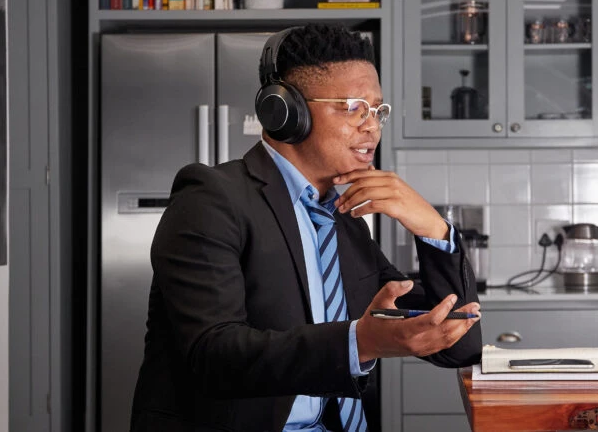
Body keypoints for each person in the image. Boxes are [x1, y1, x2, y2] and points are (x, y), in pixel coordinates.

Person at [129, 23, 482, 432]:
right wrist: (361, 342)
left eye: (378, 110)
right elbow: (213, 356)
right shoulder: (210, 198)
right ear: (284, 112)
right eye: (354, 107)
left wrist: (433, 229)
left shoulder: (344, 219)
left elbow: (459, 345)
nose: (372, 127)